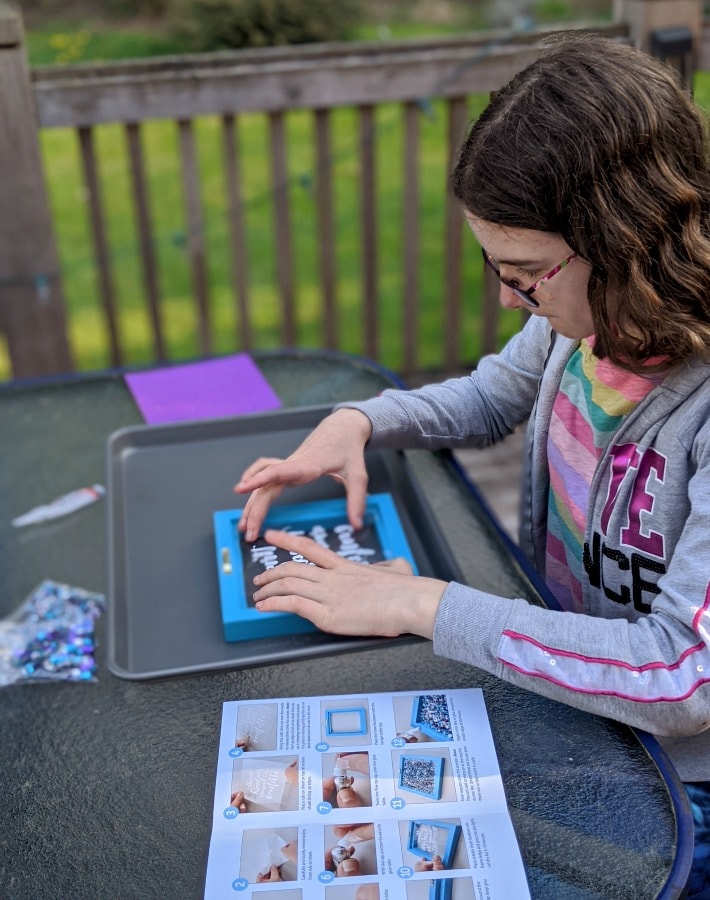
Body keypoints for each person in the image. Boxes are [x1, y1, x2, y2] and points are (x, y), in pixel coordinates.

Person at [235, 34, 710, 897]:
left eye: (526, 274)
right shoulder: (589, 316)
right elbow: (495, 394)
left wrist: (417, 603)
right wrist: (360, 419)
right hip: (564, 682)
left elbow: (678, 675)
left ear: (631, 240)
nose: (507, 297)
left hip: (676, 784)